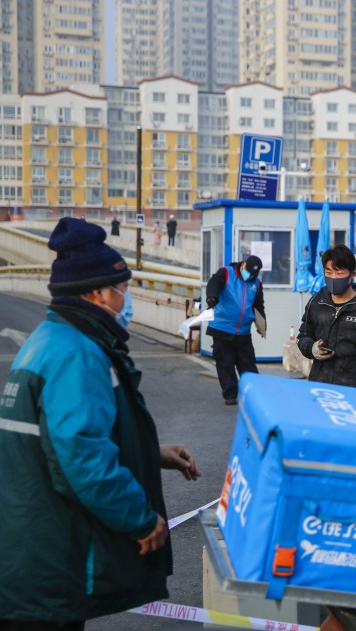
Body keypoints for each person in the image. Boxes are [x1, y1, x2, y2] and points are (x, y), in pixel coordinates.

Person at [0, 218, 201, 629]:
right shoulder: (77, 355)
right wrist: (141, 519)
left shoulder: (49, 339)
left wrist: (152, 453)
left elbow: (62, 438)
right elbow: (83, 458)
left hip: (31, 548)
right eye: (122, 289)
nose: (126, 298)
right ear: (96, 293)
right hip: (50, 559)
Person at [298, 244, 356, 390]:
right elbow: (304, 336)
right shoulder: (316, 302)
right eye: (329, 272)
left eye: (339, 274)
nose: (333, 278)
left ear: (352, 275)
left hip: (353, 387)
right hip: (319, 385)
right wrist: (311, 348)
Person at [205, 254, 266, 406]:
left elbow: (258, 305)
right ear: (243, 264)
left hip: (243, 331)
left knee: (248, 364)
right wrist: (212, 297)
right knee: (226, 364)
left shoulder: (256, 284)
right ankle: (230, 394)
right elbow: (213, 284)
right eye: (249, 272)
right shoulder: (226, 273)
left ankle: (253, 394)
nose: (250, 276)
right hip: (222, 328)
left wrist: (262, 324)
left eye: (254, 274)